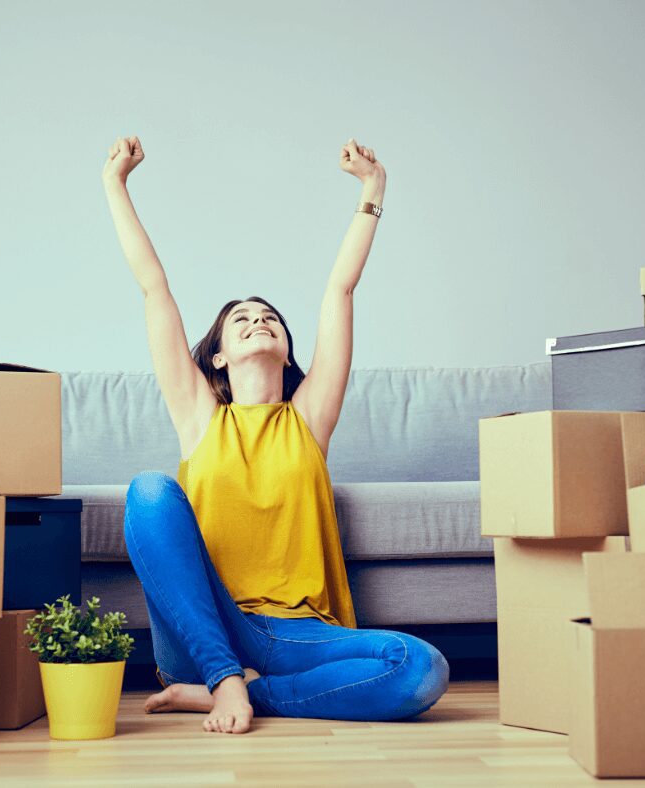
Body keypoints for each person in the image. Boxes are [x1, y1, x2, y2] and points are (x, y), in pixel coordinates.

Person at [102, 134, 449, 735]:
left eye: (270, 318)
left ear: (287, 350)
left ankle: (249, 695)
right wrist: (116, 184)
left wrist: (373, 190)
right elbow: (153, 287)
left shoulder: (310, 417)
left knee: (420, 668)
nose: (259, 321)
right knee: (150, 492)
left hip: (297, 635)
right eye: (242, 319)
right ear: (216, 358)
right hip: (209, 626)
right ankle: (224, 679)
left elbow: (339, 290)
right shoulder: (199, 415)